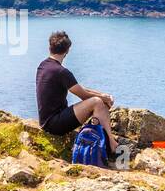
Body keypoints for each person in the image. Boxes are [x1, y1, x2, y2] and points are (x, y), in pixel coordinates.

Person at [35, 30, 119, 158]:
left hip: (46, 120)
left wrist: (103, 95)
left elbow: (79, 88)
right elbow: (84, 95)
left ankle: (99, 139)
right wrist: (104, 98)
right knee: (97, 103)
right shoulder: (61, 72)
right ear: (67, 51)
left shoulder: (44, 66)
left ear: (50, 47)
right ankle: (111, 144)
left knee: (98, 100)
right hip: (55, 124)